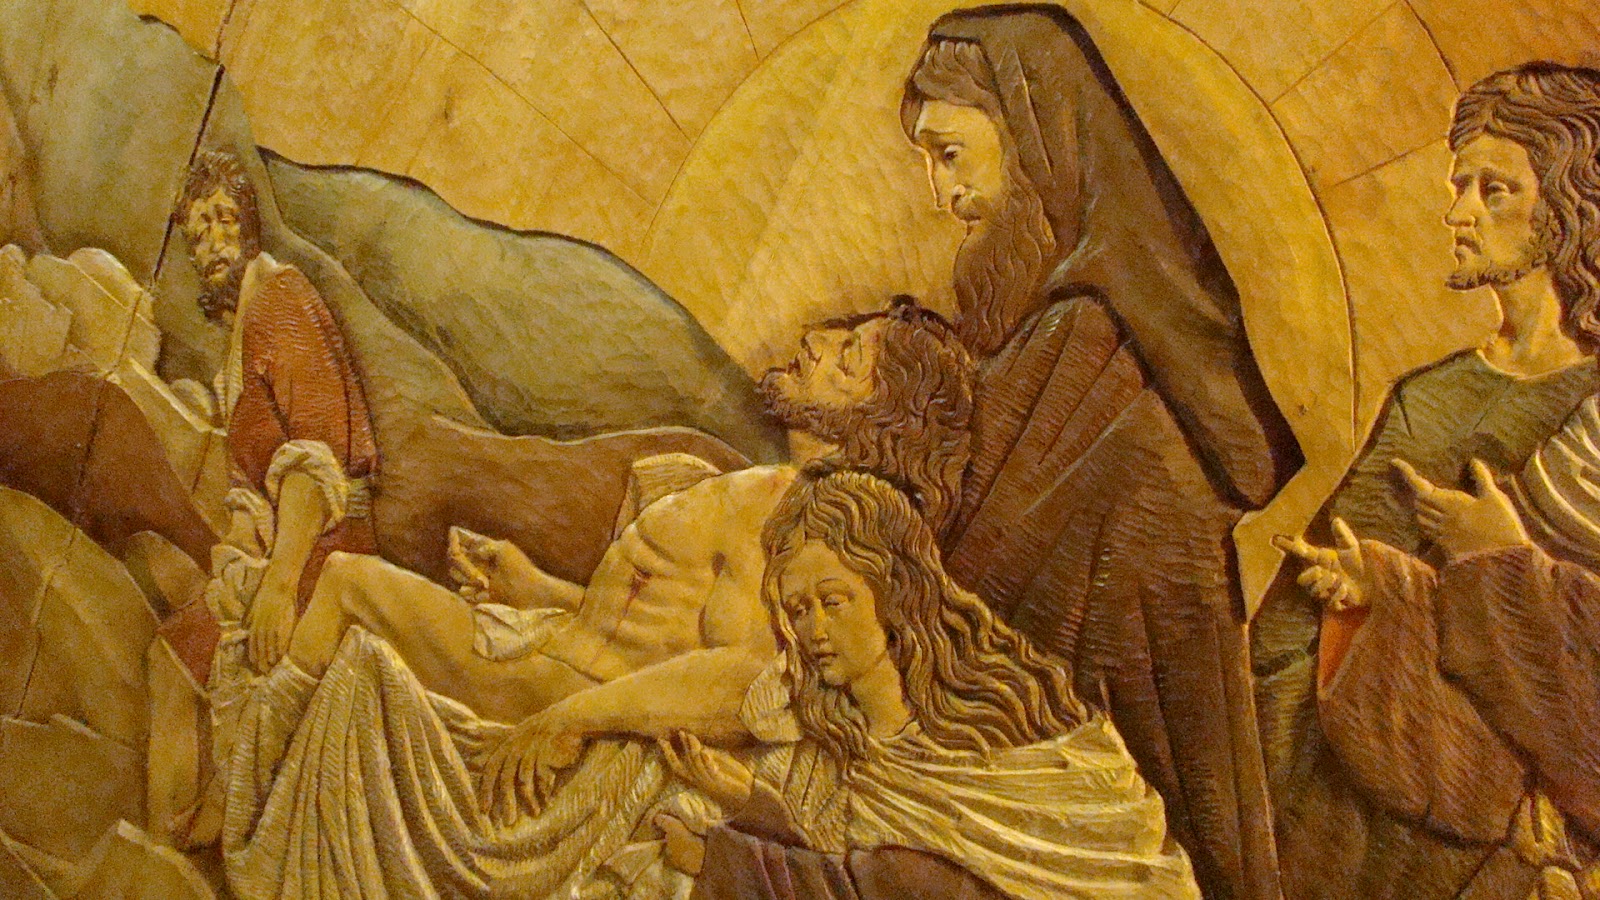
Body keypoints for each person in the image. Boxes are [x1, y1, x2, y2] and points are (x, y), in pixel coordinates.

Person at [221, 300, 977, 897]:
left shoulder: (804, 522)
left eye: (849, 358)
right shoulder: (777, 491)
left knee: (349, 583)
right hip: (560, 656)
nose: (816, 342)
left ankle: (236, 819)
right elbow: (670, 627)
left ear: (882, 416)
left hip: (561, 691)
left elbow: (745, 681)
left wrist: (569, 718)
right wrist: (536, 588)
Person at [897, 9, 1299, 897]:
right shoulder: (1059, 331)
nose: (940, 194)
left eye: (951, 154)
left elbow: (977, 574)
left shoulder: (1090, 338)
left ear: (1038, 142)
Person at [1264, 63, 1600, 899]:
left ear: (1570, 206)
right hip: (1352, 816)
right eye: (1460, 187)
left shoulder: (1592, 416)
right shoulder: (1430, 396)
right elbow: (1291, 627)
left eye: (1494, 189)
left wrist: (1501, 563)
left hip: (1525, 849)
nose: (1459, 212)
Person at [656, 468, 1200, 899]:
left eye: (833, 601)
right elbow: (847, 871)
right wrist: (751, 804)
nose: (814, 629)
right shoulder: (850, 745)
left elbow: (899, 883)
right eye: (799, 610)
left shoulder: (1016, 735)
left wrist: (716, 862)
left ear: (894, 590)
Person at [177, 148, 381, 673]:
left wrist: (279, 587)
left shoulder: (279, 300)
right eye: (198, 235)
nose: (212, 242)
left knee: (182, 662)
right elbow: (251, 488)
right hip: (285, 557)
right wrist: (236, 559)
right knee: (175, 648)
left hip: (326, 557)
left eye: (223, 219)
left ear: (248, 227)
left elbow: (319, 461)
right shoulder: (239, 347)